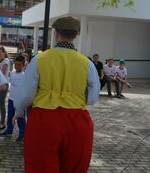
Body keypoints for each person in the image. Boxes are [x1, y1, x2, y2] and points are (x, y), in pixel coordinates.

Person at [14, 16, 100, 173]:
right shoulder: (87, 63)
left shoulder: (40, 59)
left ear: (56, 34)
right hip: (77, 120)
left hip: (44, 119)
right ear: (76, 34)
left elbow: (25, 94)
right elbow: (93, 98)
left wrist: (19, 111)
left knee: (40, 166)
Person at [0, 55, 26, 142]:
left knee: (20, 118)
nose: (17, 66)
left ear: (23, 65)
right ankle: (9, 130)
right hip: (11, 99)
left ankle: (22, 134)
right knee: (10, 116)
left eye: (19, 65)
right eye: (16, 64)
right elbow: (10, 83)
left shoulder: (24, 76)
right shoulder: (12, 73)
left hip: (20, 101)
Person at [0, 46, 10, 130]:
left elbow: (3, 72)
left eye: (0, 52)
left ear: (3, 52)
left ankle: (2, 122)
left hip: (4, 85)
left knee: (1, 104)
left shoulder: (6, 61)